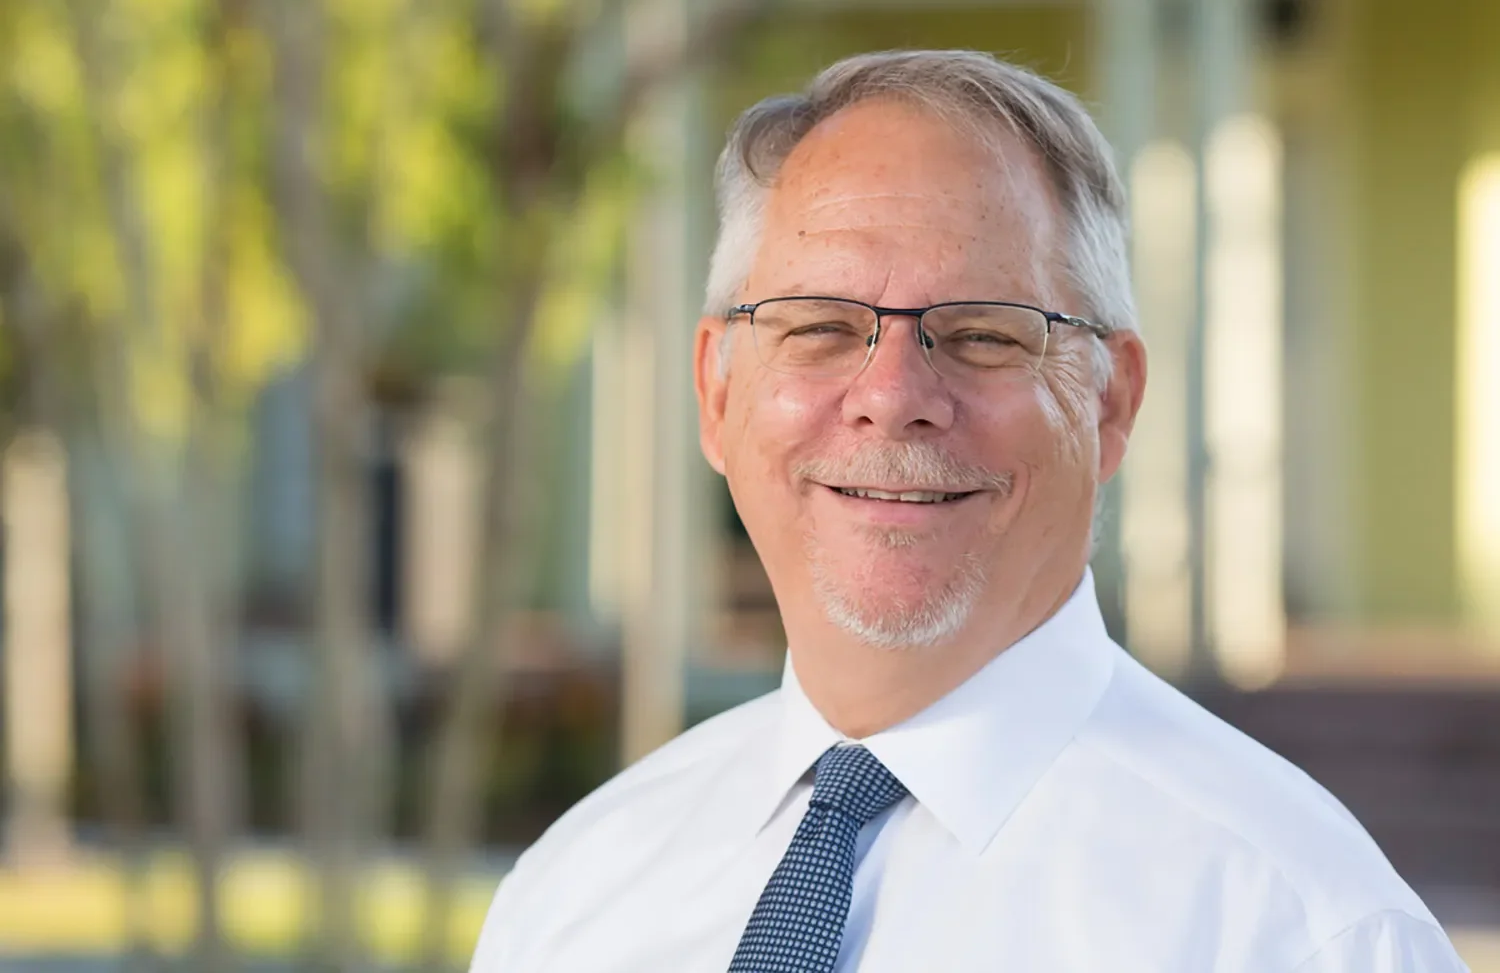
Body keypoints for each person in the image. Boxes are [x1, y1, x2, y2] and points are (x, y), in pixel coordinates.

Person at [468, 50, 1468, 972]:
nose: (893, 391)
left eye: (984, 334)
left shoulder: (1295, 929)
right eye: (819, 326)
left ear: (1109, 402)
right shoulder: (572, 896)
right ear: (717, 394)